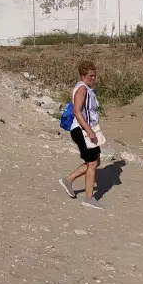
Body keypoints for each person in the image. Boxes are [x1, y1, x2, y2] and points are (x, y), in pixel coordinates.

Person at [59, 61, 106, 210]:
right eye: (90, 76)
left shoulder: (87, 88)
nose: (93, 78)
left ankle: (68, 180)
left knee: (95, 161)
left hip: (87, 128)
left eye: (95, 76)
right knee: (92, 163)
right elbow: (77, 112)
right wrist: (89, 130)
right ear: (82, 75)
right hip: (81, 129)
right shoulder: (82, 89)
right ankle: (89, 198)